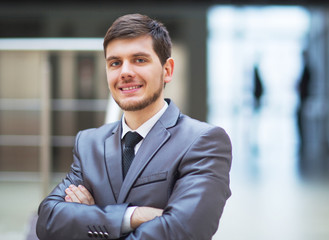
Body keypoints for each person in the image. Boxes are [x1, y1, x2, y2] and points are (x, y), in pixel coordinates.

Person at [36, 13, 232, 240]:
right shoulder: (89, 143)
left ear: (167, 70)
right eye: (115, 63)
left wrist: (90, 218)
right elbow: (48, 221)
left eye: (139, 60)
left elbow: (182, 231)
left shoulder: (203, 141)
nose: (125, 72)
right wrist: (131, 216)